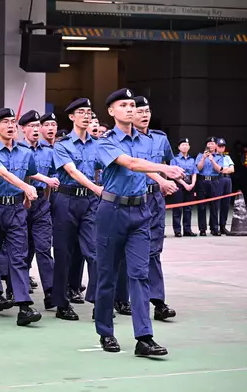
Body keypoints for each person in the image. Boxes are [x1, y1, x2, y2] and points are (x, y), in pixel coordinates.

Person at [94, 88, 184, 356]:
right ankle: (105, 332)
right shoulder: (105, 141)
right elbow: (131, 164)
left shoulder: (147, 141)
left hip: (141, 212)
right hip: (112, 212)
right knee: (108, 276)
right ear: (111, 111)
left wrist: (161, 180)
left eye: (133, 105)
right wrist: (164, 169)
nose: (130, 109)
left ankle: (144, 337)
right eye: (123, 105)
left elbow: (144, 167)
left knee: (140, 275)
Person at [0, 107, 43, 326]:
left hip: (16, 210)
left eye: (12, 121)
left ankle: (24, 305)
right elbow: (3, 174)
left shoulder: (25, 152)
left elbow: (29, 174)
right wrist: (25, 186)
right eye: (4, 122)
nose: (10, 125)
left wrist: (26, 194)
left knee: (19, 257)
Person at [51, 98, 101, 321]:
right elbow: (72, 172)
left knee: (94, 252)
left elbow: (105, 169)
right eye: (81, 112)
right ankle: (61, 303)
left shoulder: (98, 145)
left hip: (90, 203)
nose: (86, 115)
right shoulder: (62, 145)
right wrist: (96, 188)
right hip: (66, 200)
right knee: (63, 253)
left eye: (89, 112)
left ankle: (98, 300)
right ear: (72, 117)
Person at [133, 96, 178, 321]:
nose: (144, 115)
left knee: (154, 250)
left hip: (155, 199)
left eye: (147, 111)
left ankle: (158, 302)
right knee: (127, 250)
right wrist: (161, 179)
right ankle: (120, 297)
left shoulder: (160, 139)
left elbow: (169, 162)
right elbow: (134, 165)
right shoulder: (125, 141)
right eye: (140, 111)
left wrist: (168, 179)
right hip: (132, 199)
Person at [19, 109, 59, 310]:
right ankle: (18, 287)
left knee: (44, 247)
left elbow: (52, 178)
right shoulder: (17, 150)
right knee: (22, 249)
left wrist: (46, 200)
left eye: (37, 126)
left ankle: (51, 291)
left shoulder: (48, 152)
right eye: (31, 126)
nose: (35, 129)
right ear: (23, 129)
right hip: (20, 202)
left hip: (41, 204)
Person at [195, 137, 224, 236]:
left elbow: (219, 170)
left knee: (214, 206)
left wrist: (212, 160)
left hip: (214, 182)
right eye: (209, 143)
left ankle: (214, 228)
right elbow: (198, 168)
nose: (211, 145)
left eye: (212, 143)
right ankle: (202, 229)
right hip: (202, 181)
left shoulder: (219, 157)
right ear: (206, 145)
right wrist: (204, 158)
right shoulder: (200, 155)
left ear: (216, 145)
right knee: (201, 206)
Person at [170, 138, 198, 237]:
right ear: (179, 147)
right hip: (179, 184)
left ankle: (187, 230)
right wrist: (184, 184)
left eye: (186, 145)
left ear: (189, 147)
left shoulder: (192, 160)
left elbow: (194, 173)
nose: (185, 147)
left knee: (188, 208)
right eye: (183, 145)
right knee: (177, 208)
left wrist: (192, 184)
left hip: (190, 184)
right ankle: (177, 230)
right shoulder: (174, 159)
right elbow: (173, 174)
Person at [216, 138, 235, 234]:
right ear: (216, 146)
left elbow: (232, 169)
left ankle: (223, 226)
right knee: (216, 204)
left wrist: (223, 169)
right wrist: (224, 169)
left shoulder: (227, 157)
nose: (221, 148)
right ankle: (215, 227)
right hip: (218, 179)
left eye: (223, 146)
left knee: (226, 204)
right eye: (219, 146)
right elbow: (217, 170)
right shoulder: (213, 157)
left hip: (227, 179)